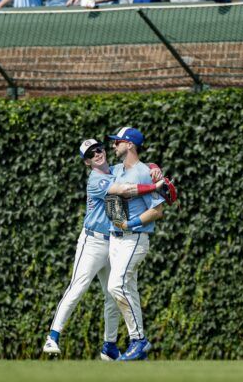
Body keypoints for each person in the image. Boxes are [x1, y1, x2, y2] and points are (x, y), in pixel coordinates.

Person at [42, 138, 168, 361]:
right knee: (78, 287)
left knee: (113, 294)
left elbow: (141, 165)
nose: (97, 154)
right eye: (91, 154)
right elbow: (125, 189)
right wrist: (155, 186)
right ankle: (53, 336)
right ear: (87, 163)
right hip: (92, 242)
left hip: (113, 241)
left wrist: (155, 169)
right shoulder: (96, 179)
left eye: (98, 149)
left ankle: (109, 345)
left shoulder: (117, 169)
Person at [105, 127, 166, 362]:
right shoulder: (117, 170)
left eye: (117, 142)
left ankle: (139, 340)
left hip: (135, 239)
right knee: (128, 290)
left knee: (116, 286)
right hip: (116, 240)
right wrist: (154, 165)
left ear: (129, 145)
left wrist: (129, 224)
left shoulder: (143, 173)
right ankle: (137, 346)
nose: (113, 145)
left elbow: (157, 210)